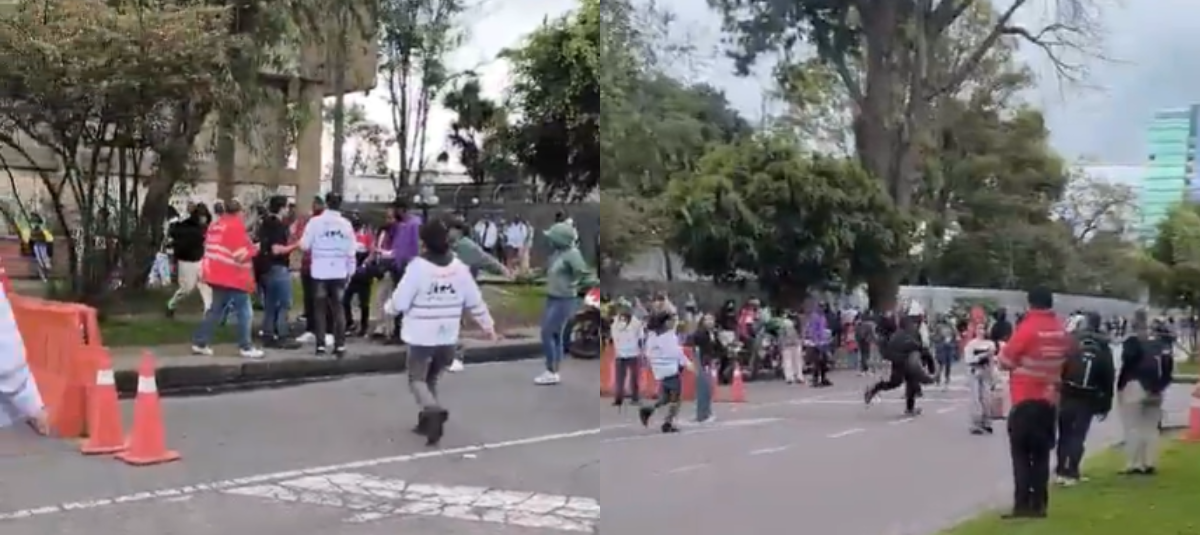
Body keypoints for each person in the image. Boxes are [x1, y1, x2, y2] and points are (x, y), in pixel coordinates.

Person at [384, 215, 496, 446]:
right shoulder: (459, 268)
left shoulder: (418, 268)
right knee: (432, 377)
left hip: (421, 335)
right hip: (447, 336)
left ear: (424, 243)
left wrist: (389, 309)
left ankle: (432, 410)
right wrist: (488, 326)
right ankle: (427, 422)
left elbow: (400, 302)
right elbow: (475, 301)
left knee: (416, 379)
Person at [997, 288, 1070, 520]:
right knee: (1041, 456)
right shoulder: (1060, 330)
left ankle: (1022, 505)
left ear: (1030, 304)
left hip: (1025, 399)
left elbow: (1005, 361)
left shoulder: (1027, 329)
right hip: (1048, 402)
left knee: (1020, 455)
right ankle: (1040, 504)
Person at [192, 200, 263, 359]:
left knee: (215, 310)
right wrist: (255, 248)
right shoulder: (235, 227)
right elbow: (240, 255)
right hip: (233, 276)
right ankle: (246, 346)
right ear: (240, 212)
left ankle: (201, 342)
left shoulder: (216, 226)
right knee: (245, 312)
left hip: (216, 274)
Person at [535, 221, 598, 385]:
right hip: (552, 297)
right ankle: (554, 370)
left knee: (547, 333)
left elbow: (585, 275)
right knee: (554, 334)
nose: (549, 240)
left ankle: (551, 370)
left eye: (552, 237)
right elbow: (544, 271)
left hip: (564, 299)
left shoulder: (572, 254)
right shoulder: (557, 254)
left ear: (559, 239)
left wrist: (577, 286)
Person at [1055, 311, 1114, 486]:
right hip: (1088, 396)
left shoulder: (1072, 341)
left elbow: (1061, 365)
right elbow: (1108, 377)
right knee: (1078, 435)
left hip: (1067, 392)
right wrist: (1105, 404)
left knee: (1064, 433)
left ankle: (1060, 470)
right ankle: (1072, 471)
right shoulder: (1103, 347)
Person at [445, 216, 510, 372]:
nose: (448, 232)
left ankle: (455, 356)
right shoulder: (447, 246)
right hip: (445, 289)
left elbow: (485, 259)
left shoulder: (467, 247)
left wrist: (503, 270)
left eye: (451, 229)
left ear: (459, 231)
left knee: (453, 323)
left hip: (460, 291)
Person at [1116, 310, 1174, 476]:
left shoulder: (1132, 342)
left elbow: (1127, 364)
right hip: (1157, 388)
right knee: (1150, 427)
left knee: (1133, 425)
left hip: (1135, 384)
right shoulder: (1161, 343)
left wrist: (1120, 386)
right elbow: (1168, 368)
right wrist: (1161, 386)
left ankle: (1133, 463)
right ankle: (1148, 462)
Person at [299, 193, 356, 357]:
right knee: (339, 309)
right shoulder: (346, 225)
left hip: (320, 271)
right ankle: (340, 345)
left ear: (326, 204)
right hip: (339, 271)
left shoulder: (315, 222)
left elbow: (304, 245)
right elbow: (351, 250)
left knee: (319, 309)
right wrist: (350, 270)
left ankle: (321, 345)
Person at [638, 310, 696, 433]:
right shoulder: (668, 337)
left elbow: (648, 353)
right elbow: (676, 353)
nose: (674, 322)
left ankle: (648, 410)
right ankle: (667, 423)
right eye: (671, 320)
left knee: (665, 398)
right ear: (666, 322)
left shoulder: (652, 336)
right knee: (676, 399)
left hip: (660, 371)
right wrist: (687, 364)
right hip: (671, 370)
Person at [256, 195, 301, 349]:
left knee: (270, 304)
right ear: (282, 208)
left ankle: (268, 334)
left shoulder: (265, 223)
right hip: (277, 267)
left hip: (264, 268)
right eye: (288, 207)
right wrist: (295, 245)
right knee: (283, 303)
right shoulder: (277, 225)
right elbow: (276, 249)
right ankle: (281, 335)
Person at [864, 315, 932, 415]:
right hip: (902, 362)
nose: (914, 325)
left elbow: (918, 348)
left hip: (903, 362)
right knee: (899, 383)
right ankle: (875, 389)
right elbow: (918, 347)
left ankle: (909, 407)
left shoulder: (902, 334)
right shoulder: (904, 335)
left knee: (907, 383)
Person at [166, 203, 212, 316]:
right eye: (202, 216)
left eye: (205, 216)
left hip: (199, 259)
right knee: (187, 288)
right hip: (187, 261)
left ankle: (208, 310)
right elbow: (174, 233)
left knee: (205, 284)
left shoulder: (203, 228)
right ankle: (172, 304)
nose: (204, 219)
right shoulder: (187, 226)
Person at [388, 199, 423, 344]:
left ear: (402, 210)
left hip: (408, 266)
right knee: (398, 298)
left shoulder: (414, 224)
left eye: (396, 210)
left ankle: (405, 332)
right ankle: (397, 331)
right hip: (398, 264)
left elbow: (417, 245)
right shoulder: (400, 225)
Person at [342, 213, 375, 337]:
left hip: (363, 268)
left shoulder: (366, 234)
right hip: (350, 269)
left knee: (364, 301)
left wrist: (366, 263)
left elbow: (372, 251)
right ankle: (349, 322)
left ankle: (364, 325)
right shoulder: (347, 235)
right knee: (345, 299)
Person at [963, 323, 999, 434]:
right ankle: (976, 424)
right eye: (979, 328)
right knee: (975, 398)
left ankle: (987, 422)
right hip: (974, 371)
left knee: (986, 398)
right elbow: (969, 359)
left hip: (986, 371)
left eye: (983, 328)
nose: (981, 330)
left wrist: (994, 375)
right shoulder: (971, 344)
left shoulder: (990, 344)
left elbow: (993, 361)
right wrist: (982, 355)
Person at [610, 304, 643, 407]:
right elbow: (641, 337)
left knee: (629, 378)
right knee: (625, 378)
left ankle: (628, 398)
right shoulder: (617, 321)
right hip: (626, 352)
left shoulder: (634, 322)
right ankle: (624, 398)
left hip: (628, 352)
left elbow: (640, 337)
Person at [933, 316, 959, 388]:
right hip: (944, 347)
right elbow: (956, 337)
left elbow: (956, 337)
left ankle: (942, 378)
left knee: (944, 364)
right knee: (943, 364)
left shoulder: (950, 327)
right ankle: (941, 378)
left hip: (946, 347)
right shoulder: (941, 327)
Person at [777, 316, 804, 384]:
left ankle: (790, 377)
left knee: (788, 362)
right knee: (796, 362)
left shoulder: (784, 325)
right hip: (794, 345)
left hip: (789, 345)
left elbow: (781, 336)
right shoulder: (793, 325)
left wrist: (781, 346)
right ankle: (798, 377)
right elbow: (800, 335)